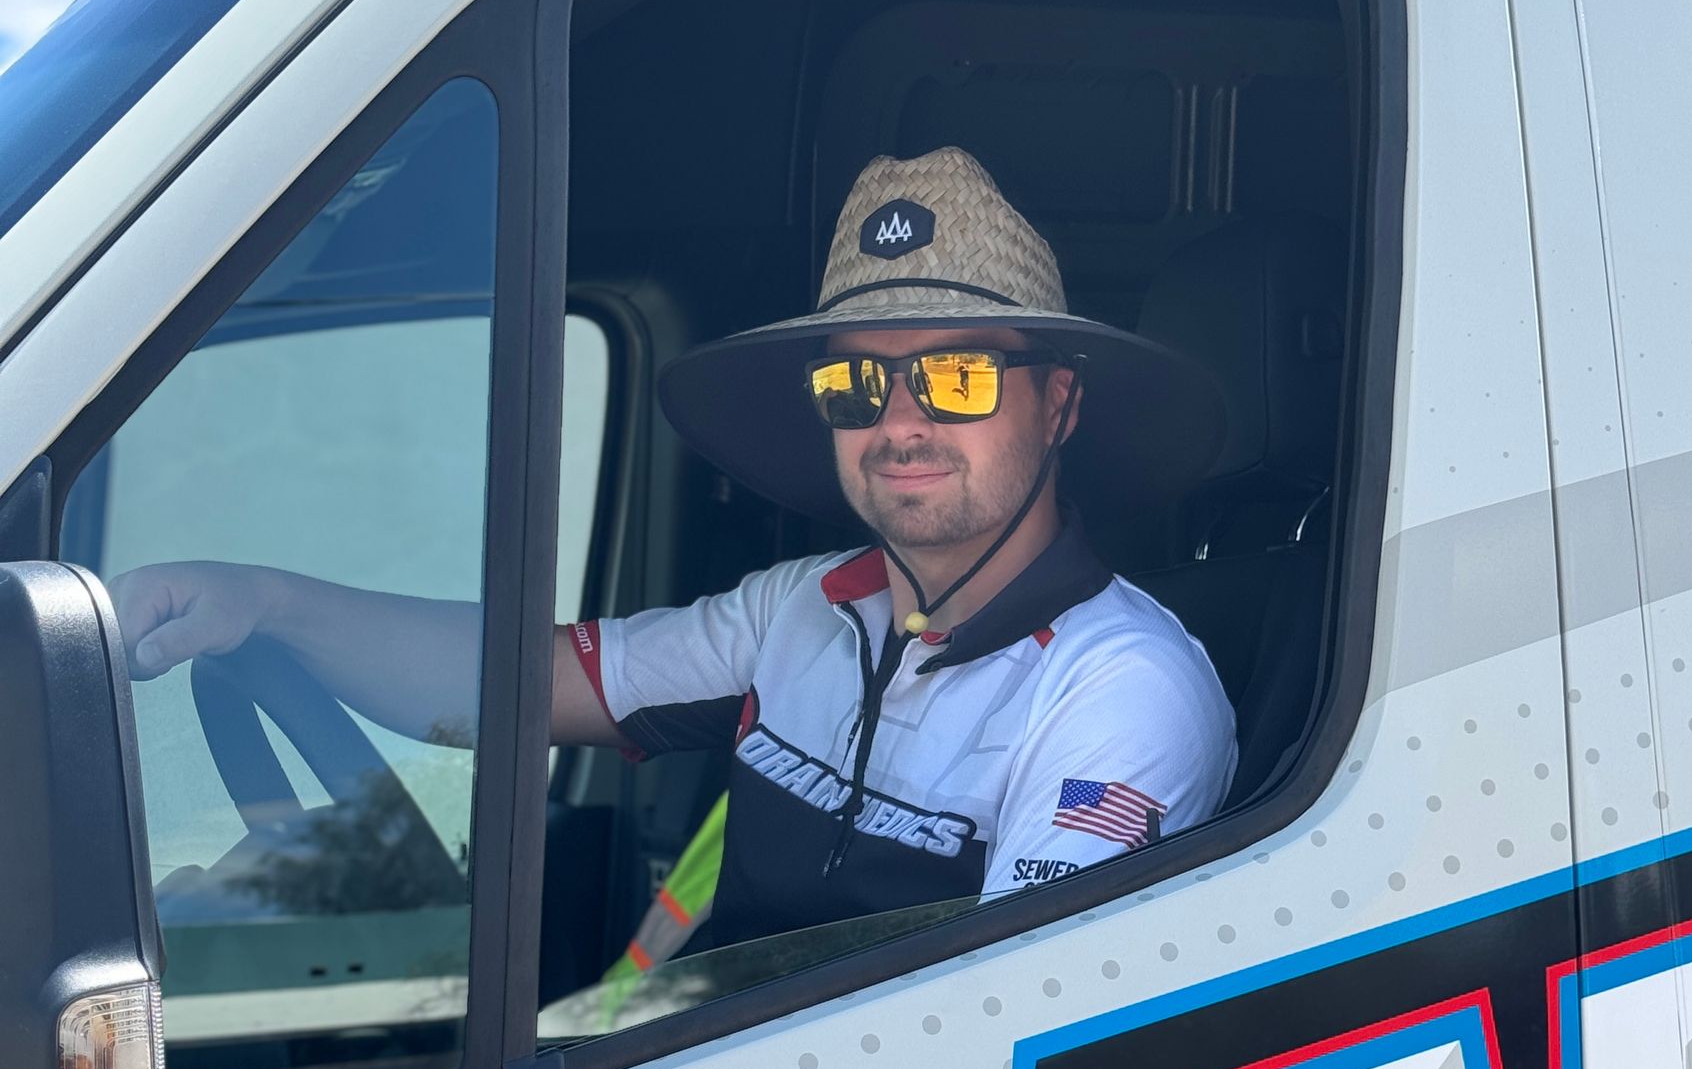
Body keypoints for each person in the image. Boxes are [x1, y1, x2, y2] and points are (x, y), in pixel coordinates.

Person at [111, 147, 1238, 951]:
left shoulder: (1118, 690)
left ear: (1060, 405)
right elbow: (525, 684)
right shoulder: (805, 607)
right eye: (855, 382)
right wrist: (267, 602)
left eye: (957, 376)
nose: (901, 422)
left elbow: (1001, 1023)